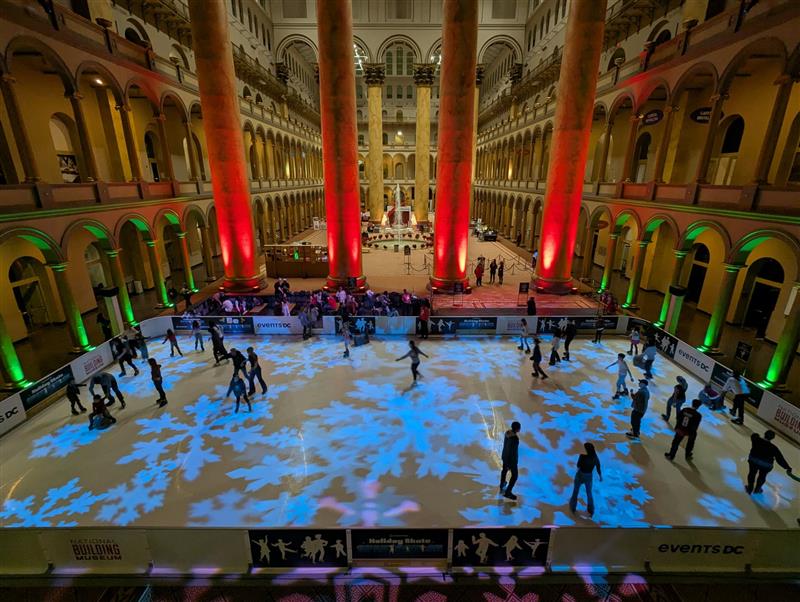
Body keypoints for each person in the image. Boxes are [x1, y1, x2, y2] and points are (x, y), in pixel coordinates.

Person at [569, 442, 602, 517]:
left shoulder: (582, 456)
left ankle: (573, 507)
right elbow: (598, 467)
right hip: (589, 476)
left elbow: (578, 465)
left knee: (575, 492)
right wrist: (600, 476)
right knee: (589, 493)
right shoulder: (595, 457)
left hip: (580, 475)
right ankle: (590, 510)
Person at [499, 421, 521, 501]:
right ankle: (508, 492)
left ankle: (502, 484)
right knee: (515, 476)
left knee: (504, 471)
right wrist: (511, 462)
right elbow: (512, 451)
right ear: (518, 429)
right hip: (511, 460)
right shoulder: (515, 439)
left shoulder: (507, 433)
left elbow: (507, 448)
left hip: (504, 456)